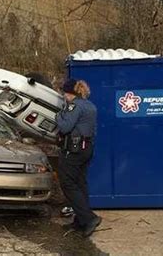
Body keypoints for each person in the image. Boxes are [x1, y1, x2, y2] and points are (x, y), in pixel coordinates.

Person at [56, 78, 101, 237]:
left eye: (64, 93)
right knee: (80, 183)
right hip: (86, 148)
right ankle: (81, 219)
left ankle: (89, 219)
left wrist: (59, 114)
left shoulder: (74, 106)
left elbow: (64, 126)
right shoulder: (90, 105)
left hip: (73, 150)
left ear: (69, 93)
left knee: (68, 183)